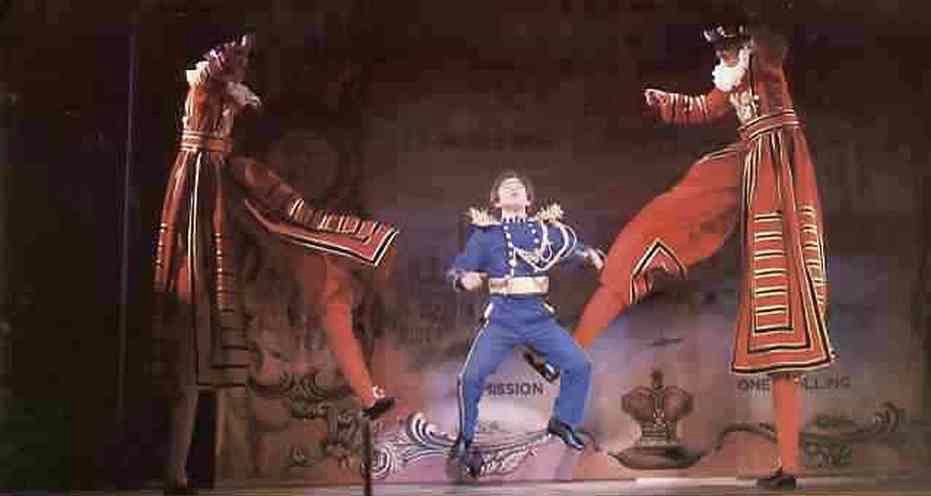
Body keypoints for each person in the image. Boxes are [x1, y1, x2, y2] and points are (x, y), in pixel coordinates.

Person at [529, 22, 835, 490]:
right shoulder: (732, 78)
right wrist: (664, 101)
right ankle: (569, 351)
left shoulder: (765, 65)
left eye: (730, 45)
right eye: (718, 47)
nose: (723, 53)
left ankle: (788, 466)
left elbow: (773, 42)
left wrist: (759, 35)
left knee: (781, 324)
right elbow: (704, 107)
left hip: (777, 166)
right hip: (746, 159)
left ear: (746, 43)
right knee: (652, 230)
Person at [151, 35, 398, 494]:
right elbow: (208, 75)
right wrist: (230, 69)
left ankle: (367, 393)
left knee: (312, 268)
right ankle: (175, 474)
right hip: (207, 194)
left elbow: (282, 224)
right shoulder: (206, 106)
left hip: (232, 202)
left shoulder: (238, 175)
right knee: (189, 373)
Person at [446, 170, 603, 477]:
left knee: (579, 366)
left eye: (519, 187)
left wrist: (590, 255)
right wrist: (463, 279)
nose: (513, 189)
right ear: (496, 201)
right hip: (502, 319)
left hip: (537, 318)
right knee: (470, 378)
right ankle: (465, 438)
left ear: (529, 199)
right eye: (507, 187)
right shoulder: (486, 236)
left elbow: (570, 249)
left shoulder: (545, 231)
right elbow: (458, 268)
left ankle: (563, 421)